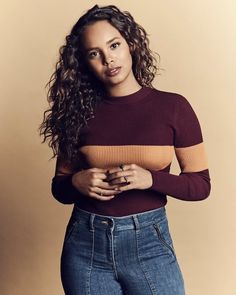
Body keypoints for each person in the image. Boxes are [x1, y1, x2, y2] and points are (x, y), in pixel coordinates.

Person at [40, 4, 211, 295]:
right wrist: (76, 182)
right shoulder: (78, 113)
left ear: (131, 44)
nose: (108, 59)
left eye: (114, 45)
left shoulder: (174, 107)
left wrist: (152, 179)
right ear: (85, 62)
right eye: (95, 53)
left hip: (149, 243)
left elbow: (201, 185)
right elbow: (60, 188)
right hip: (85, 243)